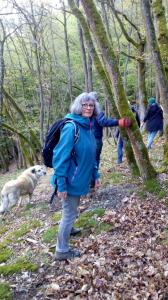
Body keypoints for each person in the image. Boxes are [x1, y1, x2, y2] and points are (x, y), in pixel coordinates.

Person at [50, 92, 101, 260]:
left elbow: (91, 154)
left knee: (72, 209)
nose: (88, 107)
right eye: (85, 104)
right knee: (68, 213)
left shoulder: (88, 126)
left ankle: (70, 229)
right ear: (79, 106)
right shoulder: (71, 127)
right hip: (69, 180)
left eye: (91, 105)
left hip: (79, 178)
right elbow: (60, 157)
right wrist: (62, 185)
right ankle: (61, 251)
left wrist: (96, 174)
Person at [88, 91, 131, 168]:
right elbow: (103, 122)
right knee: (95, 160)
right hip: (95, 140)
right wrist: (118, 122)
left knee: (89, 161)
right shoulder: (96, 110)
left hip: (88, 139)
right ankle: (93, 178)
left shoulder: (84, 110)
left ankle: (92, 177)